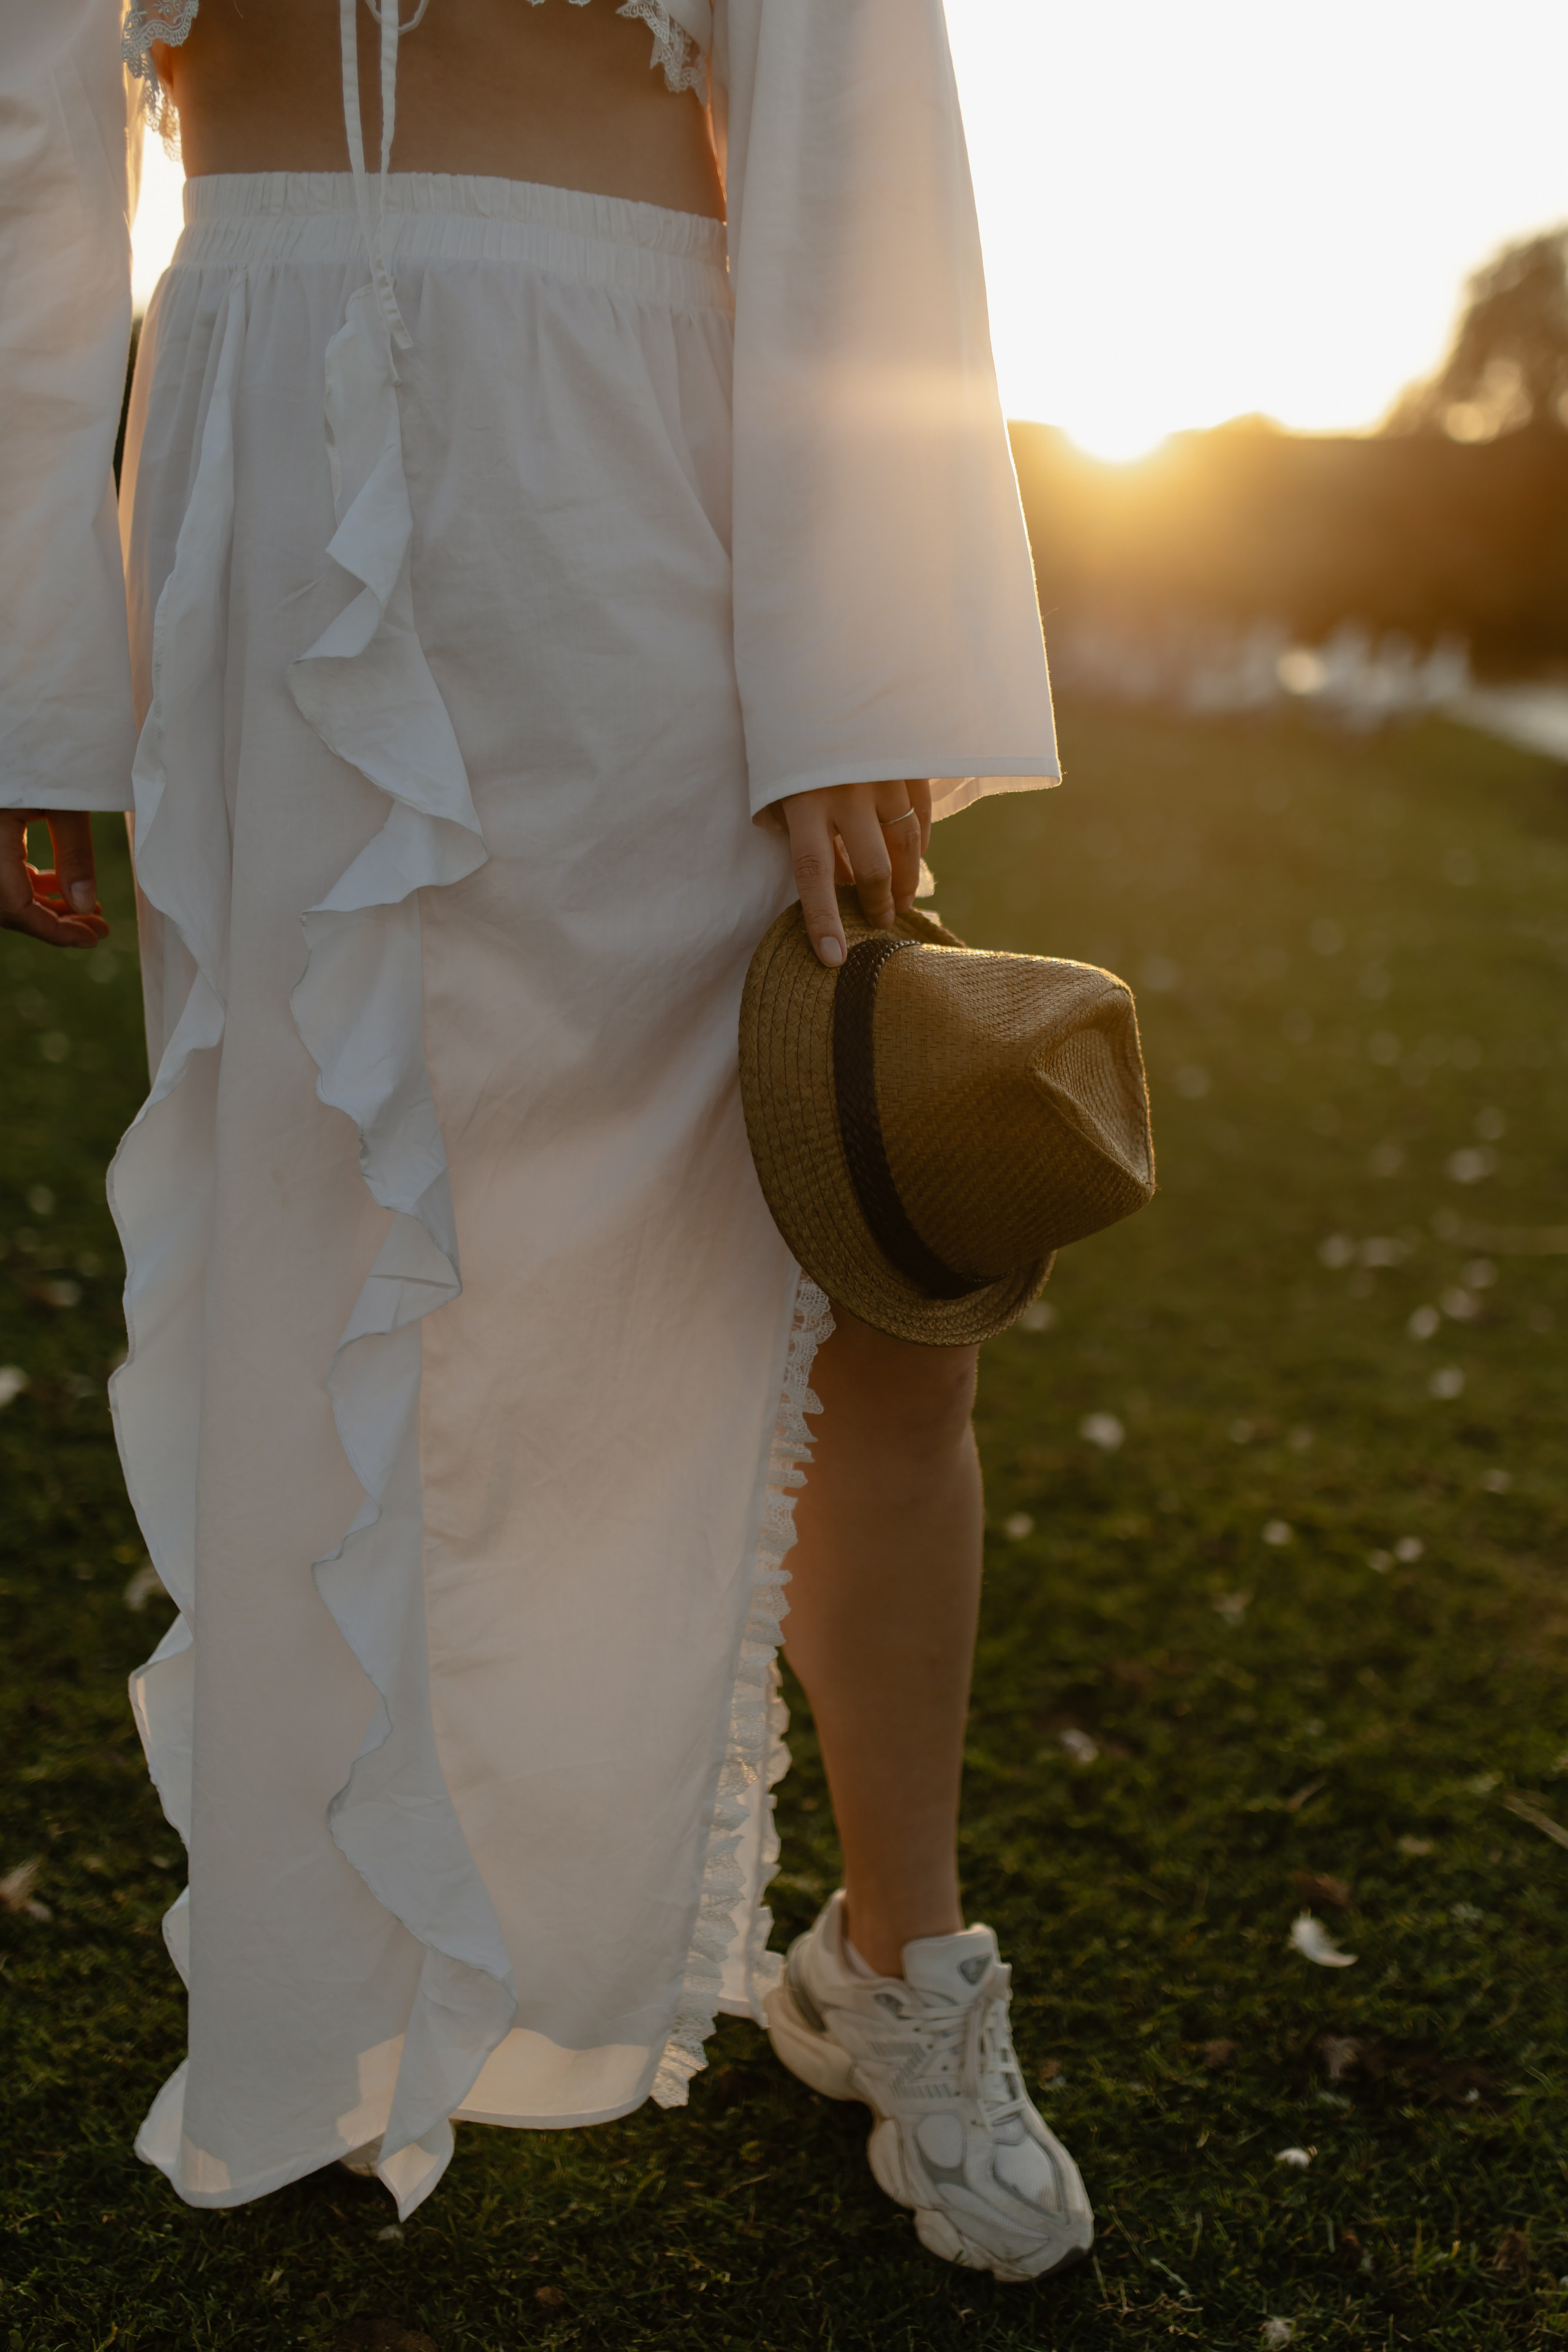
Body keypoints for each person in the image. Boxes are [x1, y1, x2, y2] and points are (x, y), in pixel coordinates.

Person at [0, 0, 1093, 2282]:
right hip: (261, 461)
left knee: (833, 1237)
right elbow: (25, 116)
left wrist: (859, 671)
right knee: (321, 1253)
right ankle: (333, 1982)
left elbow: (847, 94)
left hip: (646, 468)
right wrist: (29, 655)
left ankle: (900, 1967)